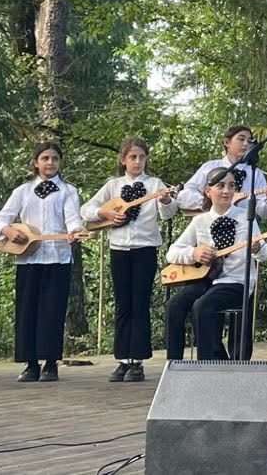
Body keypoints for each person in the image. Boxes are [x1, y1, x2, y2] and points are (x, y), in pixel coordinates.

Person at [79, 137, 176, 383]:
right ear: (123, 160)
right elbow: (86, 210)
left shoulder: (154, 184)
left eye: (142, 157)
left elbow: (167, 214)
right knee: (123, 304)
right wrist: (104, 212)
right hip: (119, 249)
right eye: (133, 157)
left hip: (145, 249)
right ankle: (122, 359)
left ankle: (138, 361)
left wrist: (166, 200)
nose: (137, 161)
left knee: (140, 303)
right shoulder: (113, 186)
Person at [0, 141, 89, 383]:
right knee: (28, 310)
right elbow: (0, 219)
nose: (50, 163)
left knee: (53, 310)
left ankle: (51, 363)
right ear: (36, 163)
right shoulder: (22, 191)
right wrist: (9, 230)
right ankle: (30, 364)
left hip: (57, 258)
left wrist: (75, 231)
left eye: (55, 158)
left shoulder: (68, 191)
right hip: (29, 258)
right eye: (45, 158)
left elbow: (73, 219)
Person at [166, 167, 267, 361]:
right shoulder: (200, 221)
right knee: (174, 305)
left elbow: (264, 255)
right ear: (208, 191)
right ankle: (174, 364)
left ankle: (207, 366)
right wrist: (193, 253)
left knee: (202, 306)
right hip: (205, 280)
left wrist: (257, 249)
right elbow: (172, 253)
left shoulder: (246, 218)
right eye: (221, 186)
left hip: (236, 282)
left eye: (231, 186)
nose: (227, 191)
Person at [177, 125, 267, 222]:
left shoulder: (255, 173)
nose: (245, 144)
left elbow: (265, 213)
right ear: (227, 142)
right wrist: (210, 202)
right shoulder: (209, 167)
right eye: (241, 139)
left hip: (243, 228)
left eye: (249, 141)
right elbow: (183, 196)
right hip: (208, 224)